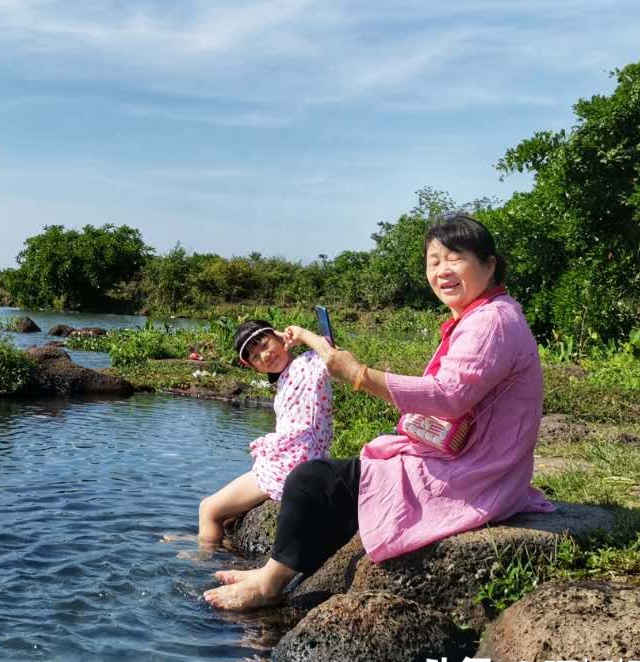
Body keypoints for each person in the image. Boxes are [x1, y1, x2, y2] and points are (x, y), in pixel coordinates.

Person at [204, 213, 553, 610]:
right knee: (340, 481)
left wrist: (360, 375)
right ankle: (276, 569)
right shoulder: (484, 315)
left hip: (474, 472)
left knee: (310, 481)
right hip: (472, 458)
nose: (442, 271)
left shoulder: (491, 321)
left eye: (455, 258)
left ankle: (269, 584)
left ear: (489, 265)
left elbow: (449, 396)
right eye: (433, 262)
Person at [195, 319, 333, 545]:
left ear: (279, 336)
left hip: (294, 463)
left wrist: (300, 333)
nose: (265, 356)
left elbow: (330, 350)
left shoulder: (310, 362)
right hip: (294, 459)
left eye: (265, 345)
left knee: (208, 509)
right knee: (227, 516)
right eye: (256, 357)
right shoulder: (288, 376)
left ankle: (202, 561)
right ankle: (218, 545)